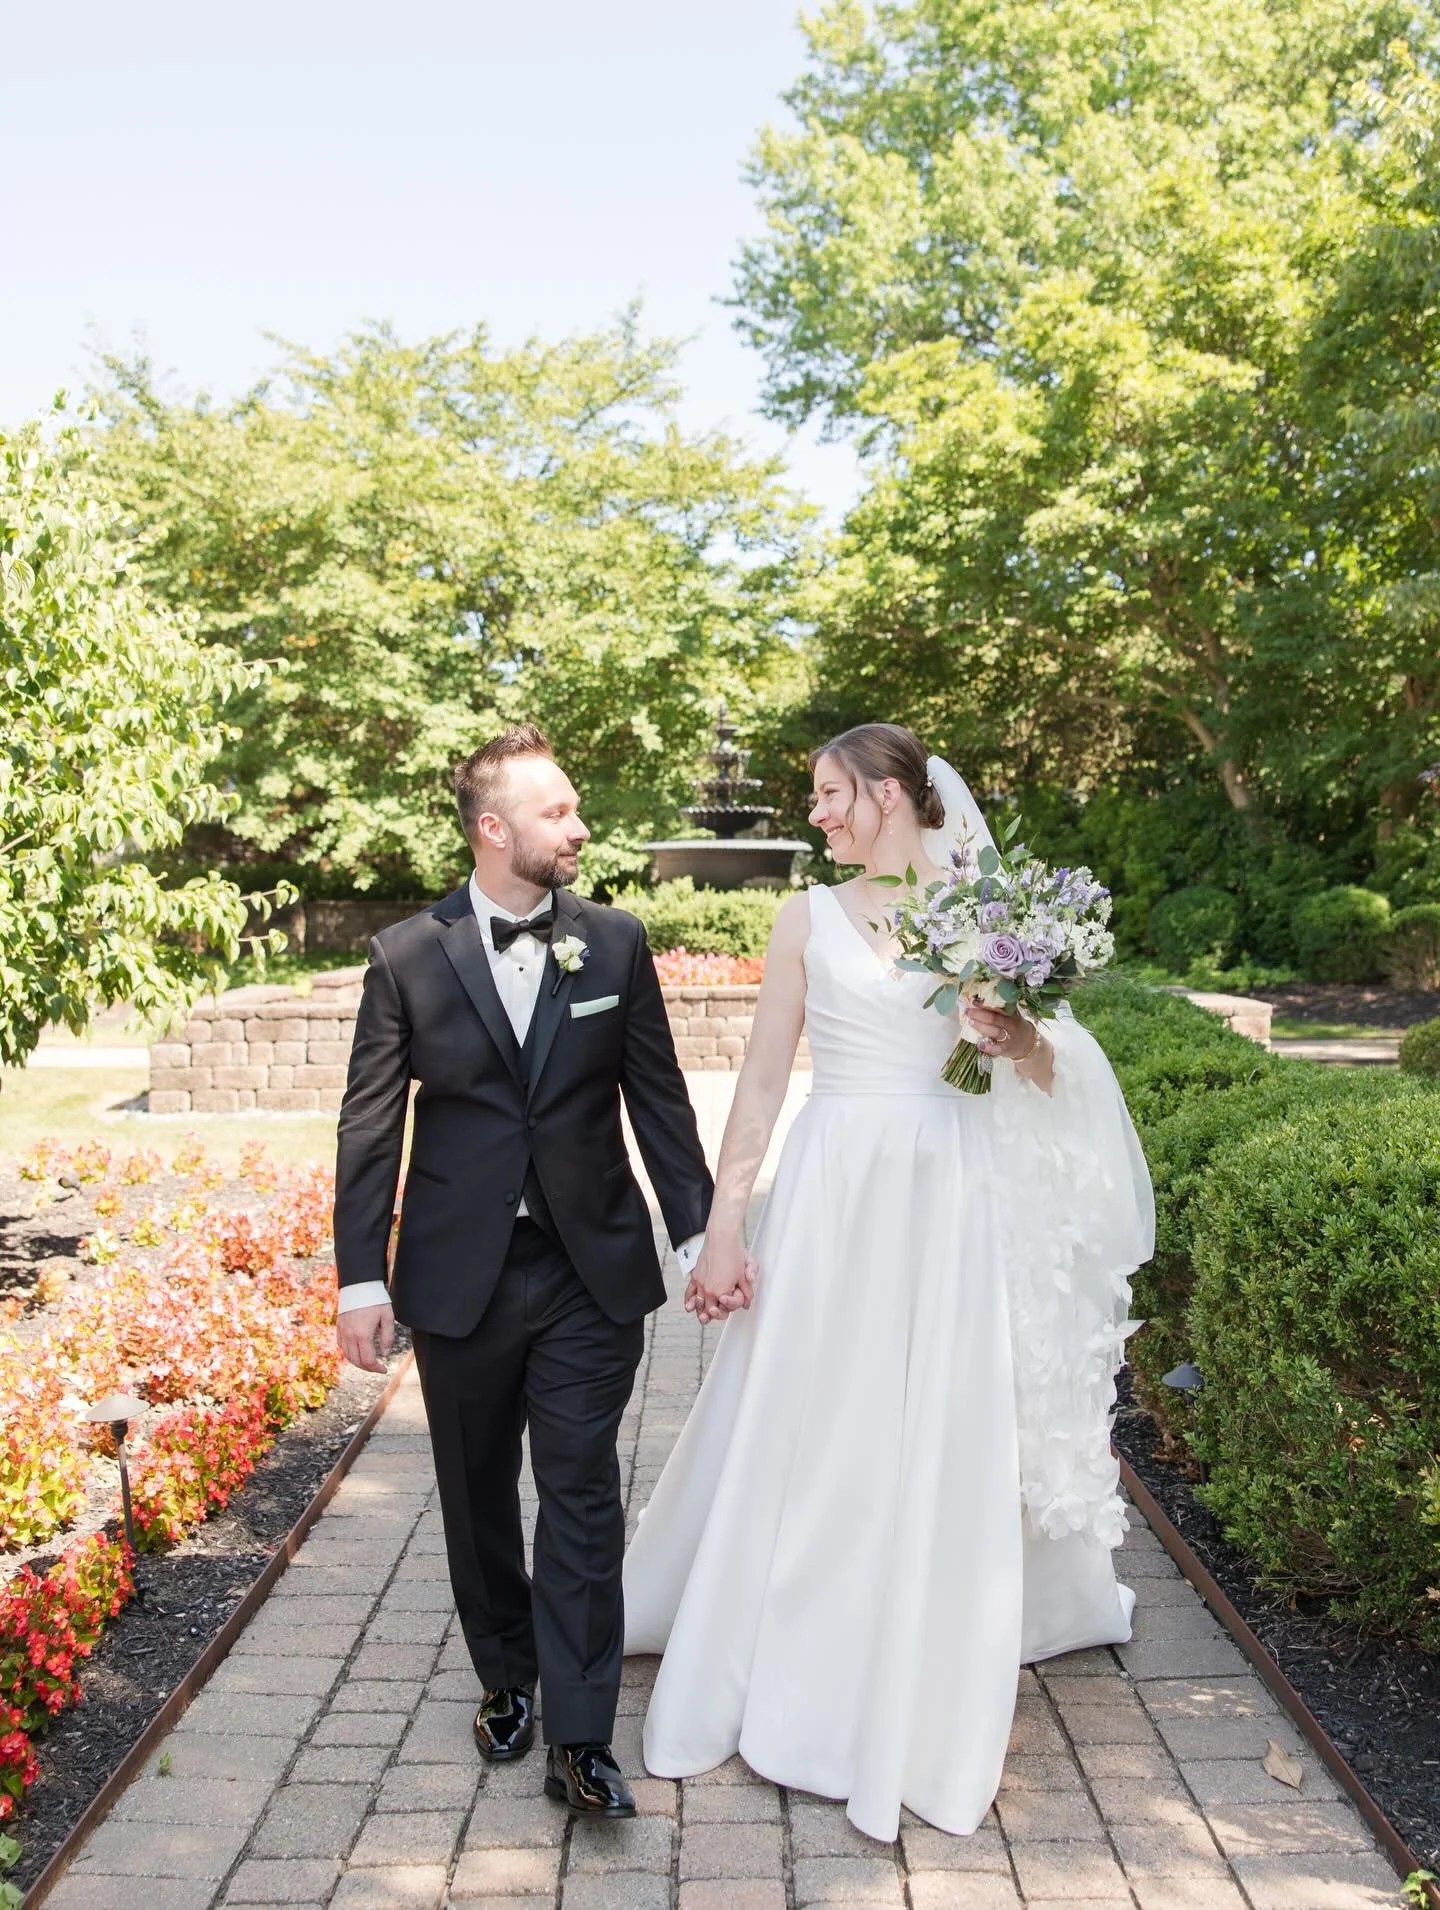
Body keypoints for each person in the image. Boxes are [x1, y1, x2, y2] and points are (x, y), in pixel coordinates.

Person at [622, 722, 1154, 1843]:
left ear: (891, 793)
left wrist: (1015, 1040)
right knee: (816, 1418)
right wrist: (722, 1230)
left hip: (950, 1193)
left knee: (932, 1421)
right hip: (832, 1191)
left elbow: (1059, 1060)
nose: (815, 813)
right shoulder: (804, 915)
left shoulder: (988, 915)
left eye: (828, 793)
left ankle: (913, 1641)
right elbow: (763, 1082)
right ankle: (784, 1631)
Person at [333, 724, 717, 1819]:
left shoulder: (616, 940)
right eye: (559, 811)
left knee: (584, 1487)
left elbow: (660, 1103)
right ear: (494, 828)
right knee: (474, 1487)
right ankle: (507, 1673)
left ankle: (584, 1736)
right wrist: (362, 1277)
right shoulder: (406, 955)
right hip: (460, 1277)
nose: (580, 826)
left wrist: (697, 1238)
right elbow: (369, 1129)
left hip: (591, 1268)